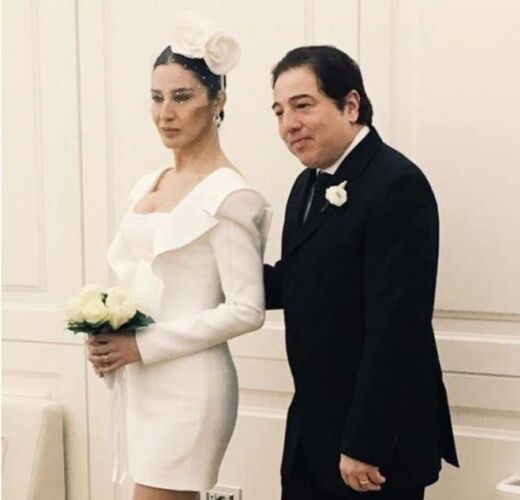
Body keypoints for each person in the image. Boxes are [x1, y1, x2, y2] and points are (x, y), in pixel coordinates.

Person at [87, 13, 271, 500]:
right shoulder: (148, 184)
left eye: (182, 97)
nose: (165, 113)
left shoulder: (230, 195)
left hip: (190, 390)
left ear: (218, 101)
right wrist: (106, 334)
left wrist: (141, 345)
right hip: (139, 382)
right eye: (157, 97)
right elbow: (133, 279)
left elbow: (247, 310)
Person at [264, 46, 459, 500]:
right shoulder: (307, 183)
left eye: (302, 105)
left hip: (373, 443)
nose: (289, 124)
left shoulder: (396, 184)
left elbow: (398, 326)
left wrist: (365, 443)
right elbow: (299, 281)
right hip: (312, 431)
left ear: (350, 105)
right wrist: (210, 275)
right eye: (279, 112)